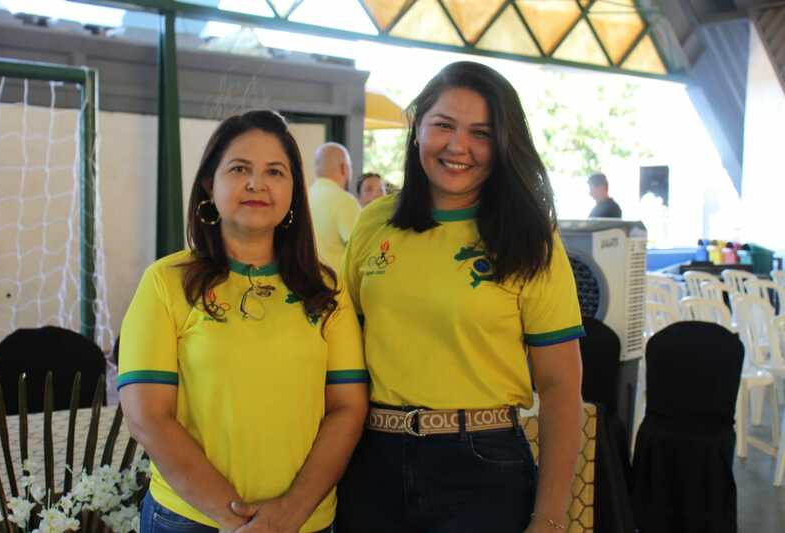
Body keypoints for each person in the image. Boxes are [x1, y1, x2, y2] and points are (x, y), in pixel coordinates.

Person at [335, 61, 585, 533]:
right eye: (444, 125)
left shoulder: (530, 237)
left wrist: (551, 518)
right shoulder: (374, 222)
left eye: (481, 133)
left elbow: (560, 386)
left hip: (483, 467)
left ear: (503, 143)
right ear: (417, 128)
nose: (458, 146)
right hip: (371, 462)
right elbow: (340, 353)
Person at [118, 110, 369, 533]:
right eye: (239, 169)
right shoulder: (166, 282)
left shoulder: (327, 290)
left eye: (275, 171)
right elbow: (148, 417)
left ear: (294, 191)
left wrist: (290, 512)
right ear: (208, 184)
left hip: (304, 522)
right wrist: (237, 519)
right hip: (190, 520)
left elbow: (347, 408)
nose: (257, 184)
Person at [308, 143, 361, 272]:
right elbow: (361, 249)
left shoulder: (303, 198)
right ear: (344, 168)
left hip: (305, 280)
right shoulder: (345, 201)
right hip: (336, 282)